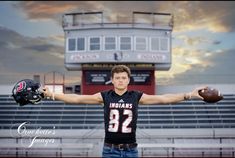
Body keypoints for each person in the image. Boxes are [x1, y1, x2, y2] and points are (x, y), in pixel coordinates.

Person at [42, 65, 206, 158]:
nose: (120, 80)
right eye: (117, 77)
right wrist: (52, 95)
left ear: (128, 80)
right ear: (112, 80)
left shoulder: (136, 96)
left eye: (123, 77)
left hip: (131, 150)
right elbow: (77, 99)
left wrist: (189, 95)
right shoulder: (104, 96)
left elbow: (163, 98)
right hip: (109, 150)